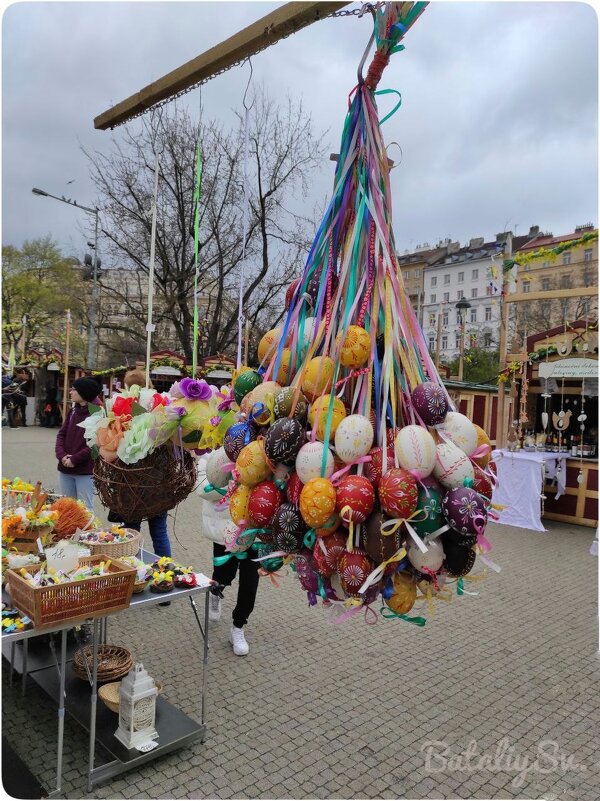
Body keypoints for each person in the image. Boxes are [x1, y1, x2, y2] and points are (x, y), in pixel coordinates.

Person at [197, 455, 259, 657]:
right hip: (225, 530)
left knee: (250, 581)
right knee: (223, 575)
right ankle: (216, 593)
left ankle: (238, 627)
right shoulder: (211, 457)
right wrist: (234, 486)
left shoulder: (258, 455)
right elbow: (202, 488)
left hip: (254, 531)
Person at [110, 370, 172, 559]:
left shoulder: (123, 413)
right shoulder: (162, 411)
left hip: (133, 485)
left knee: (131, 531)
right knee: (159, 532)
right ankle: (166, 566)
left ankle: (132, 567)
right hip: (158, 483)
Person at [54, 377, 102, 511]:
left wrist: (74, 459)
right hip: (65, 468)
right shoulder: (73, 411)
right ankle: (69, 533)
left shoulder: (98, 413)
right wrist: (62, 456)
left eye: (74, 389)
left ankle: (86, 533)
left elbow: (96, 444)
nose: (70, 392)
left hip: (85, 471)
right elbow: (61, 434)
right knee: (67, 508)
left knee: (85, 510)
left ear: (84, 393)